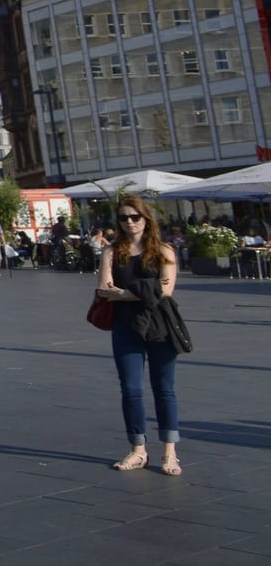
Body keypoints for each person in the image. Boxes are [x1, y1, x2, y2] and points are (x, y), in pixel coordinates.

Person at [96, 195, 182, 475]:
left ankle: (170, 452)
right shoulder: (111, 252)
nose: (130, 222)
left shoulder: (163, 251)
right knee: (131, 389)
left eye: (135, 217)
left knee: (164, 388)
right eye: (124, 218)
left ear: (147, 219)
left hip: (160, 325)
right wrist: (146, 289)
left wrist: (124, 293)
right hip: (126, 326)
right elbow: (105, 290)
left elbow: (166, 291)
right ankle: (138, 450)